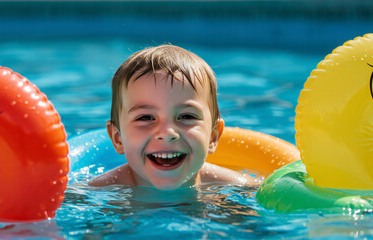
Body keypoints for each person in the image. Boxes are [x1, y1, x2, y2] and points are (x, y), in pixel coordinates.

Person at [88, 45, 257, 190]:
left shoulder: (235, 188)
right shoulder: (100, 191)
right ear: (118, 139)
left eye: (186, 116)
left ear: (213, 136)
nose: (167, 133)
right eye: (146, 118)